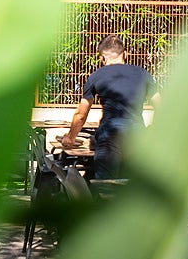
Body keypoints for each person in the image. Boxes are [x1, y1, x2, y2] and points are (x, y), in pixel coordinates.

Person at [58, 34, 159, 179]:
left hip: (110, 136)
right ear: (125, 54)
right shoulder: (143, 74)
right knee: (133, 185)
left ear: (103, 58)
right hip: (137, 137)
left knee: (105, 186)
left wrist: (71, 137)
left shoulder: (96, 76)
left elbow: (81, 115)